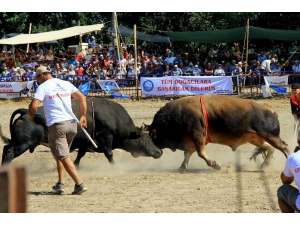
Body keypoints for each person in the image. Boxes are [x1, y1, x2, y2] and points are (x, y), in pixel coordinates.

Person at [28, 66, 88, 195]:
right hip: (71, 124)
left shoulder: (43, 87)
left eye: (37, 79)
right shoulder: (65, 83)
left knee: (63, 156)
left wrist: (31, 113)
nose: (37, 81)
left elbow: (33, 106)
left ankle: (79, 184)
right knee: (61, 154)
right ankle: (60, 183)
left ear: (41, 75)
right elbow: (82, 98)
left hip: (57, 125)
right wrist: (83, 116)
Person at [277, 145, 300, 212]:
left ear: (298, 142)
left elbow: (285, 181)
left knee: (283, 190)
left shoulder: (293, 157)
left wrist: (292, 166)